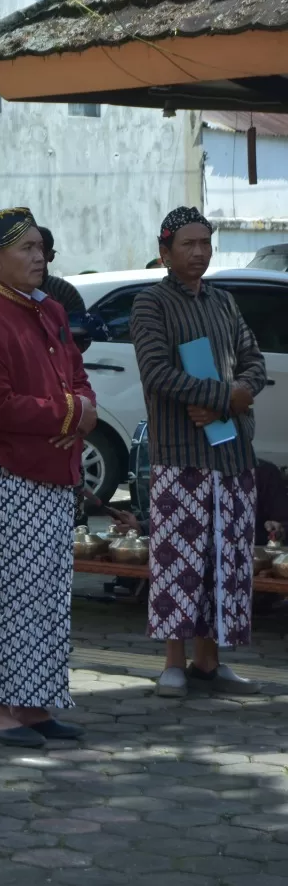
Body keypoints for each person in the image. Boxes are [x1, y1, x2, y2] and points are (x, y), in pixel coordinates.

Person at [0, 207, 96, 748]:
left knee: (49, 594)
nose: (39, 257)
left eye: (41, 247)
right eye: (27, 248)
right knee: (11, 593)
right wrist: (68, 414)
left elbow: (77, 377)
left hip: (54, 472)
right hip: (9, 474)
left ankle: (34, 706)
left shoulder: (50, 309)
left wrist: (80, 410)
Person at [130, 207, 266, 697]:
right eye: (187, 244)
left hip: (232, 456)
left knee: (224, 562)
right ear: (165, 251)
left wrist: (235, 397)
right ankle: (173, 662)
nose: (199, 252)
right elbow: (157, 373)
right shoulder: (151, 303)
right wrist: (224, 397)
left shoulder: (224, 302)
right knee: (178, 561)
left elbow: (254, 362)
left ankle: (210, 663)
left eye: (205, 243)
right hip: (180, 455)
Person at [37, 228, 87, 315]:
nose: (35, 258)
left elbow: (78, 322)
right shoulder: (11, 293)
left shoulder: (63, 291)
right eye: (26, 249)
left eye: (40, 251)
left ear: (50, 256)